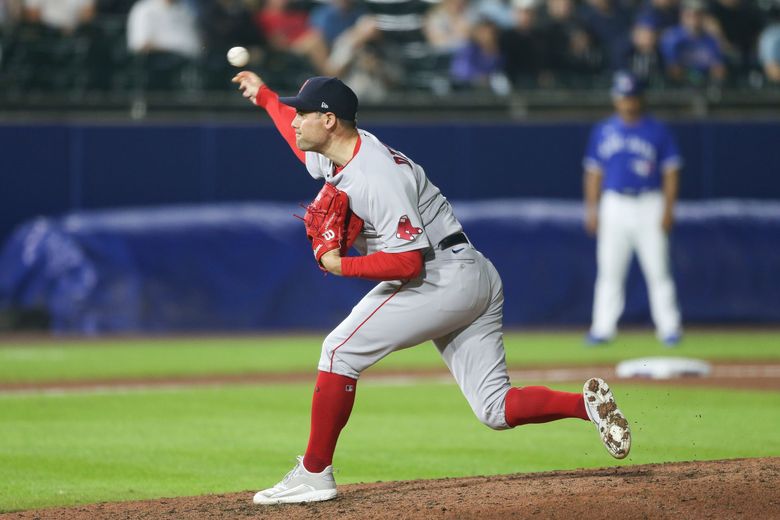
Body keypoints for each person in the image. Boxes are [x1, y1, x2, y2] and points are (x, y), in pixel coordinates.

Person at [231, 71, 633, 505]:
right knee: (495, 409)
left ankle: (314, 473)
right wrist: (266, 96)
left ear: (329, 120)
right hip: (475, 274)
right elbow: (294, 139)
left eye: (303, 113)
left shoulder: (375, 175)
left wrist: (338, 264)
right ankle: (586, 406)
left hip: (440, 277)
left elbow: (407, 262)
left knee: (338, 351)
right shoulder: (338, 151)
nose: (295, 120)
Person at [583, 71, 683, 347]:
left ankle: (669, 327)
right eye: (623, 97)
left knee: (658, 270)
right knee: (609, 272)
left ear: (640, 98)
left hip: (649, 202)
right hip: (614, 203)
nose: (627, 102)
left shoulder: (657, 130)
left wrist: (668, 209)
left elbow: (671, 172)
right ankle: (602, 328)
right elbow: (593, 173)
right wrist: (592, 209)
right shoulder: (603, 130)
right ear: (616, 99)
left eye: (631, 97)